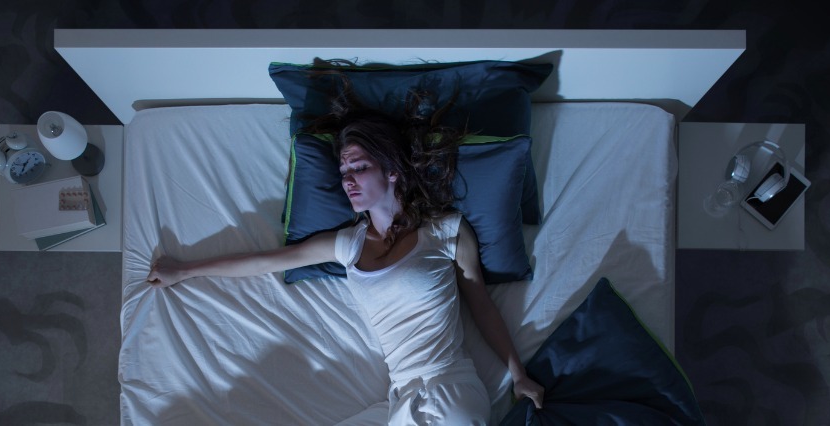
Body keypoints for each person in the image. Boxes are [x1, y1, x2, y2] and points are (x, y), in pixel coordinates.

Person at [146, 70, 544, 424]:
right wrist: (184, 270)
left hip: (449, 390)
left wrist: (519, 373)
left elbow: (482, 304)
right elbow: (265, 260)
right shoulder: (347, 244)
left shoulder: (446, 232)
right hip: (401, 396)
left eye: (359, 167)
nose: (348, 180)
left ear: (391, 171)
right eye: (343, 171)